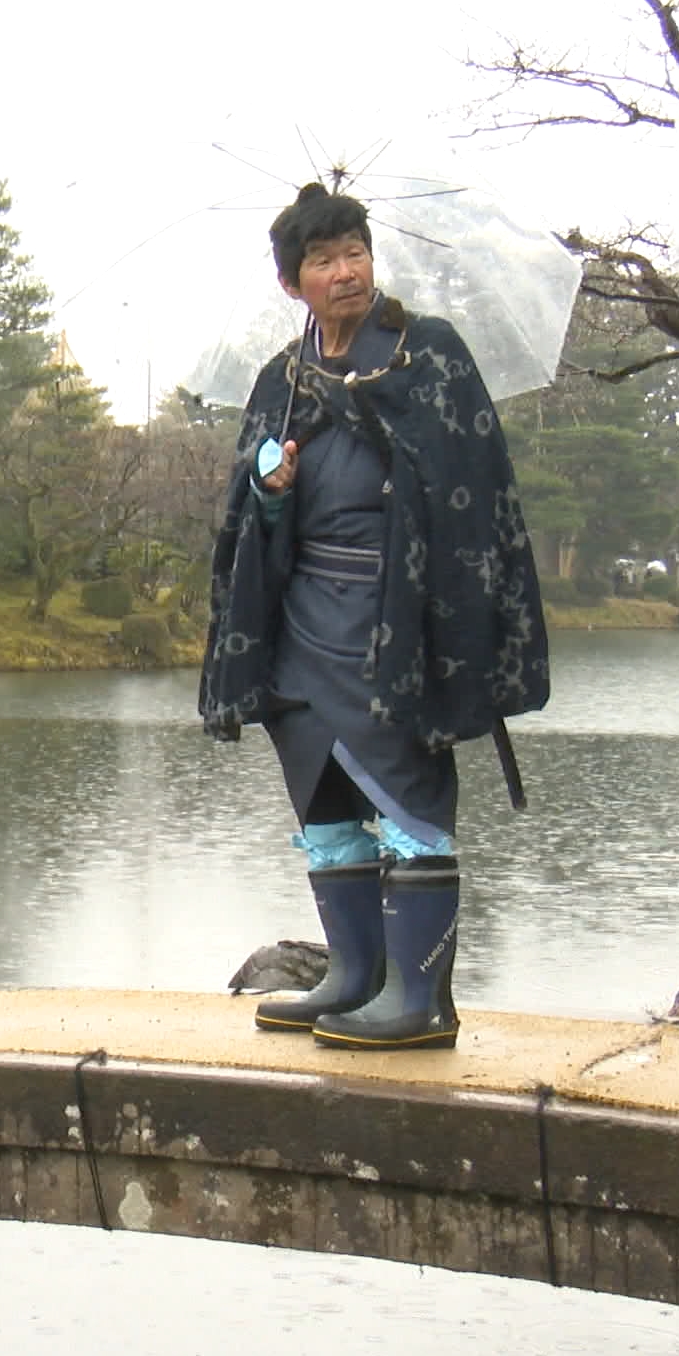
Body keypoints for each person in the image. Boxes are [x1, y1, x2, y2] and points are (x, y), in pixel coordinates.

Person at [198, 182, 550, 1051]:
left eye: (355, 252)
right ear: (294, 282)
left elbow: (472, 484)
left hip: (398, 614)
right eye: (324, 260)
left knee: (406, 796)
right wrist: (269, 489)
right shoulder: (281, 378)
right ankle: (351, 977)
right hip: (299, 617)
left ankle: (419, 1000)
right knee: (324, 800)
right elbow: (246, 517)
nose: (346, 271)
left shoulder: (426, 353)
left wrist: (387, 437)